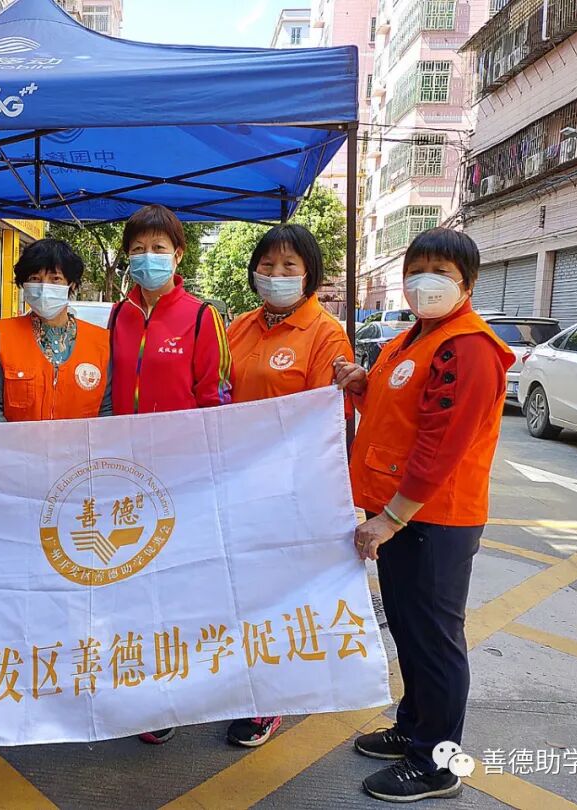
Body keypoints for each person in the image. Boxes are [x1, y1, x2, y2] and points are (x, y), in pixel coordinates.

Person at [334, 228, 512, 803]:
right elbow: (398, 413)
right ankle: (413, 727)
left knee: (434, 639)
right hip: (404, 513)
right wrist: (361, 387)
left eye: (442, 271)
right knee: (410, 628)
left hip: (433, 518)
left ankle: (437, 763)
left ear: (468, 283)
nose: (425, 282)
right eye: (417, 269)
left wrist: (390, 518)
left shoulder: (468, 347)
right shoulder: (412, 339)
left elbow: (441, 445)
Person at [224, 223, 353, 749]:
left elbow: (324, 418)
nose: (275, 274)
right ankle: (235, 683)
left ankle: (270, 699)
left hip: (287, 488)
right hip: (232, 482)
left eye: (289, 266)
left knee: (278, 595)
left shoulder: (325, 334)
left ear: (309, 275)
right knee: (238, 590)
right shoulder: (239, 327)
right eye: (267, 265)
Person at [107, 204, 233, 745]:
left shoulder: (202, 316)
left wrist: (203, 469)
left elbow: (215, 397)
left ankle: (173, 694)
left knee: (177, 588)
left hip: (181, 476)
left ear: (178, 255)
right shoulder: (117, 316)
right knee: (131, 583)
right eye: (138, 249)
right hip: (124, 476)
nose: (148, 258)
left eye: (159, 249)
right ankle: (137, 686)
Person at [0, 238, 112, 422]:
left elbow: (106, 409)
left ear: (72, 284)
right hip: (15, 441)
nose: (44, 287)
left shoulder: (100, 341)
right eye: (35, 279)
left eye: (55, 279)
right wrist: (11, 441)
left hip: (81, 442)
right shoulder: (2, 335)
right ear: (24, 285)